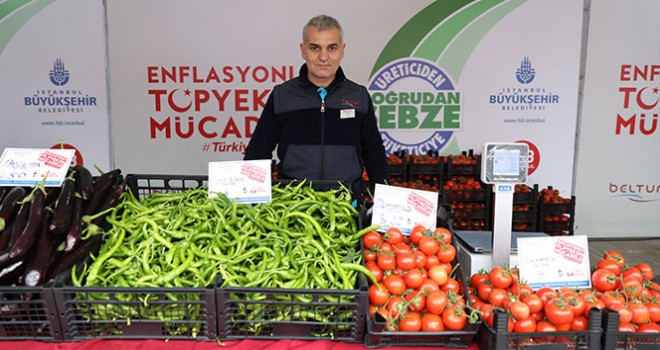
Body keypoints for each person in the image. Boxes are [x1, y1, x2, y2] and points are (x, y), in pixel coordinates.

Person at [244, 14, 390, 201]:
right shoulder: (282, 95)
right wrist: (249, 199)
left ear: (342, 51)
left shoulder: (359, 96)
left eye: (332, 48)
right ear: (303, 50)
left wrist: (385, 201)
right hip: (293, 205)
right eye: (315, 48)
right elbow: (258, 151)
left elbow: (374, 151)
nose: (323, 57)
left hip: (347, 204)